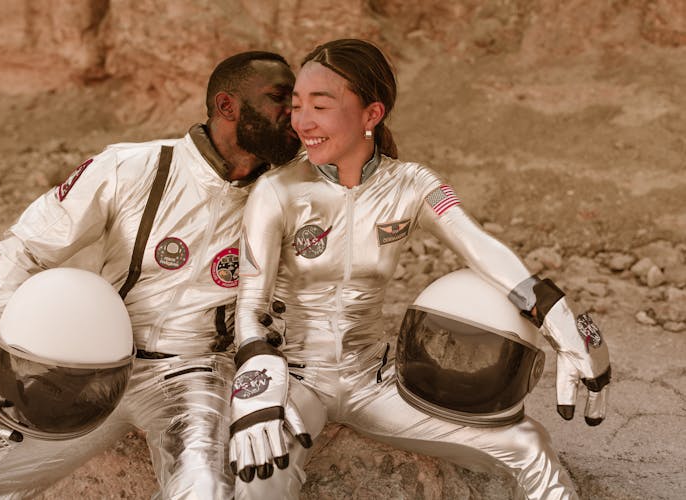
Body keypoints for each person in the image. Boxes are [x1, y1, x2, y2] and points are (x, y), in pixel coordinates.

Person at [228, 39, 611, 500]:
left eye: (320, 106)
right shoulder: (276, 190)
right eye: (296, 106)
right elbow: (249, 305)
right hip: (295, 380)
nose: (302, 122)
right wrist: (256, 385)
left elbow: (477, 245)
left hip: (374, 380)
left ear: (371, 115)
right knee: (262, 472)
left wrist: (556, 317)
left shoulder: (411, 184)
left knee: (529, 446)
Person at [0, 50, 299, 499]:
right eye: (280, 98)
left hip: (195, 373)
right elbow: (31, 246)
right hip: (89, 368)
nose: (294, 112)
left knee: (203, 487)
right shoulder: (132, 167)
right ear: (228, 107)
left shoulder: (290, 195)